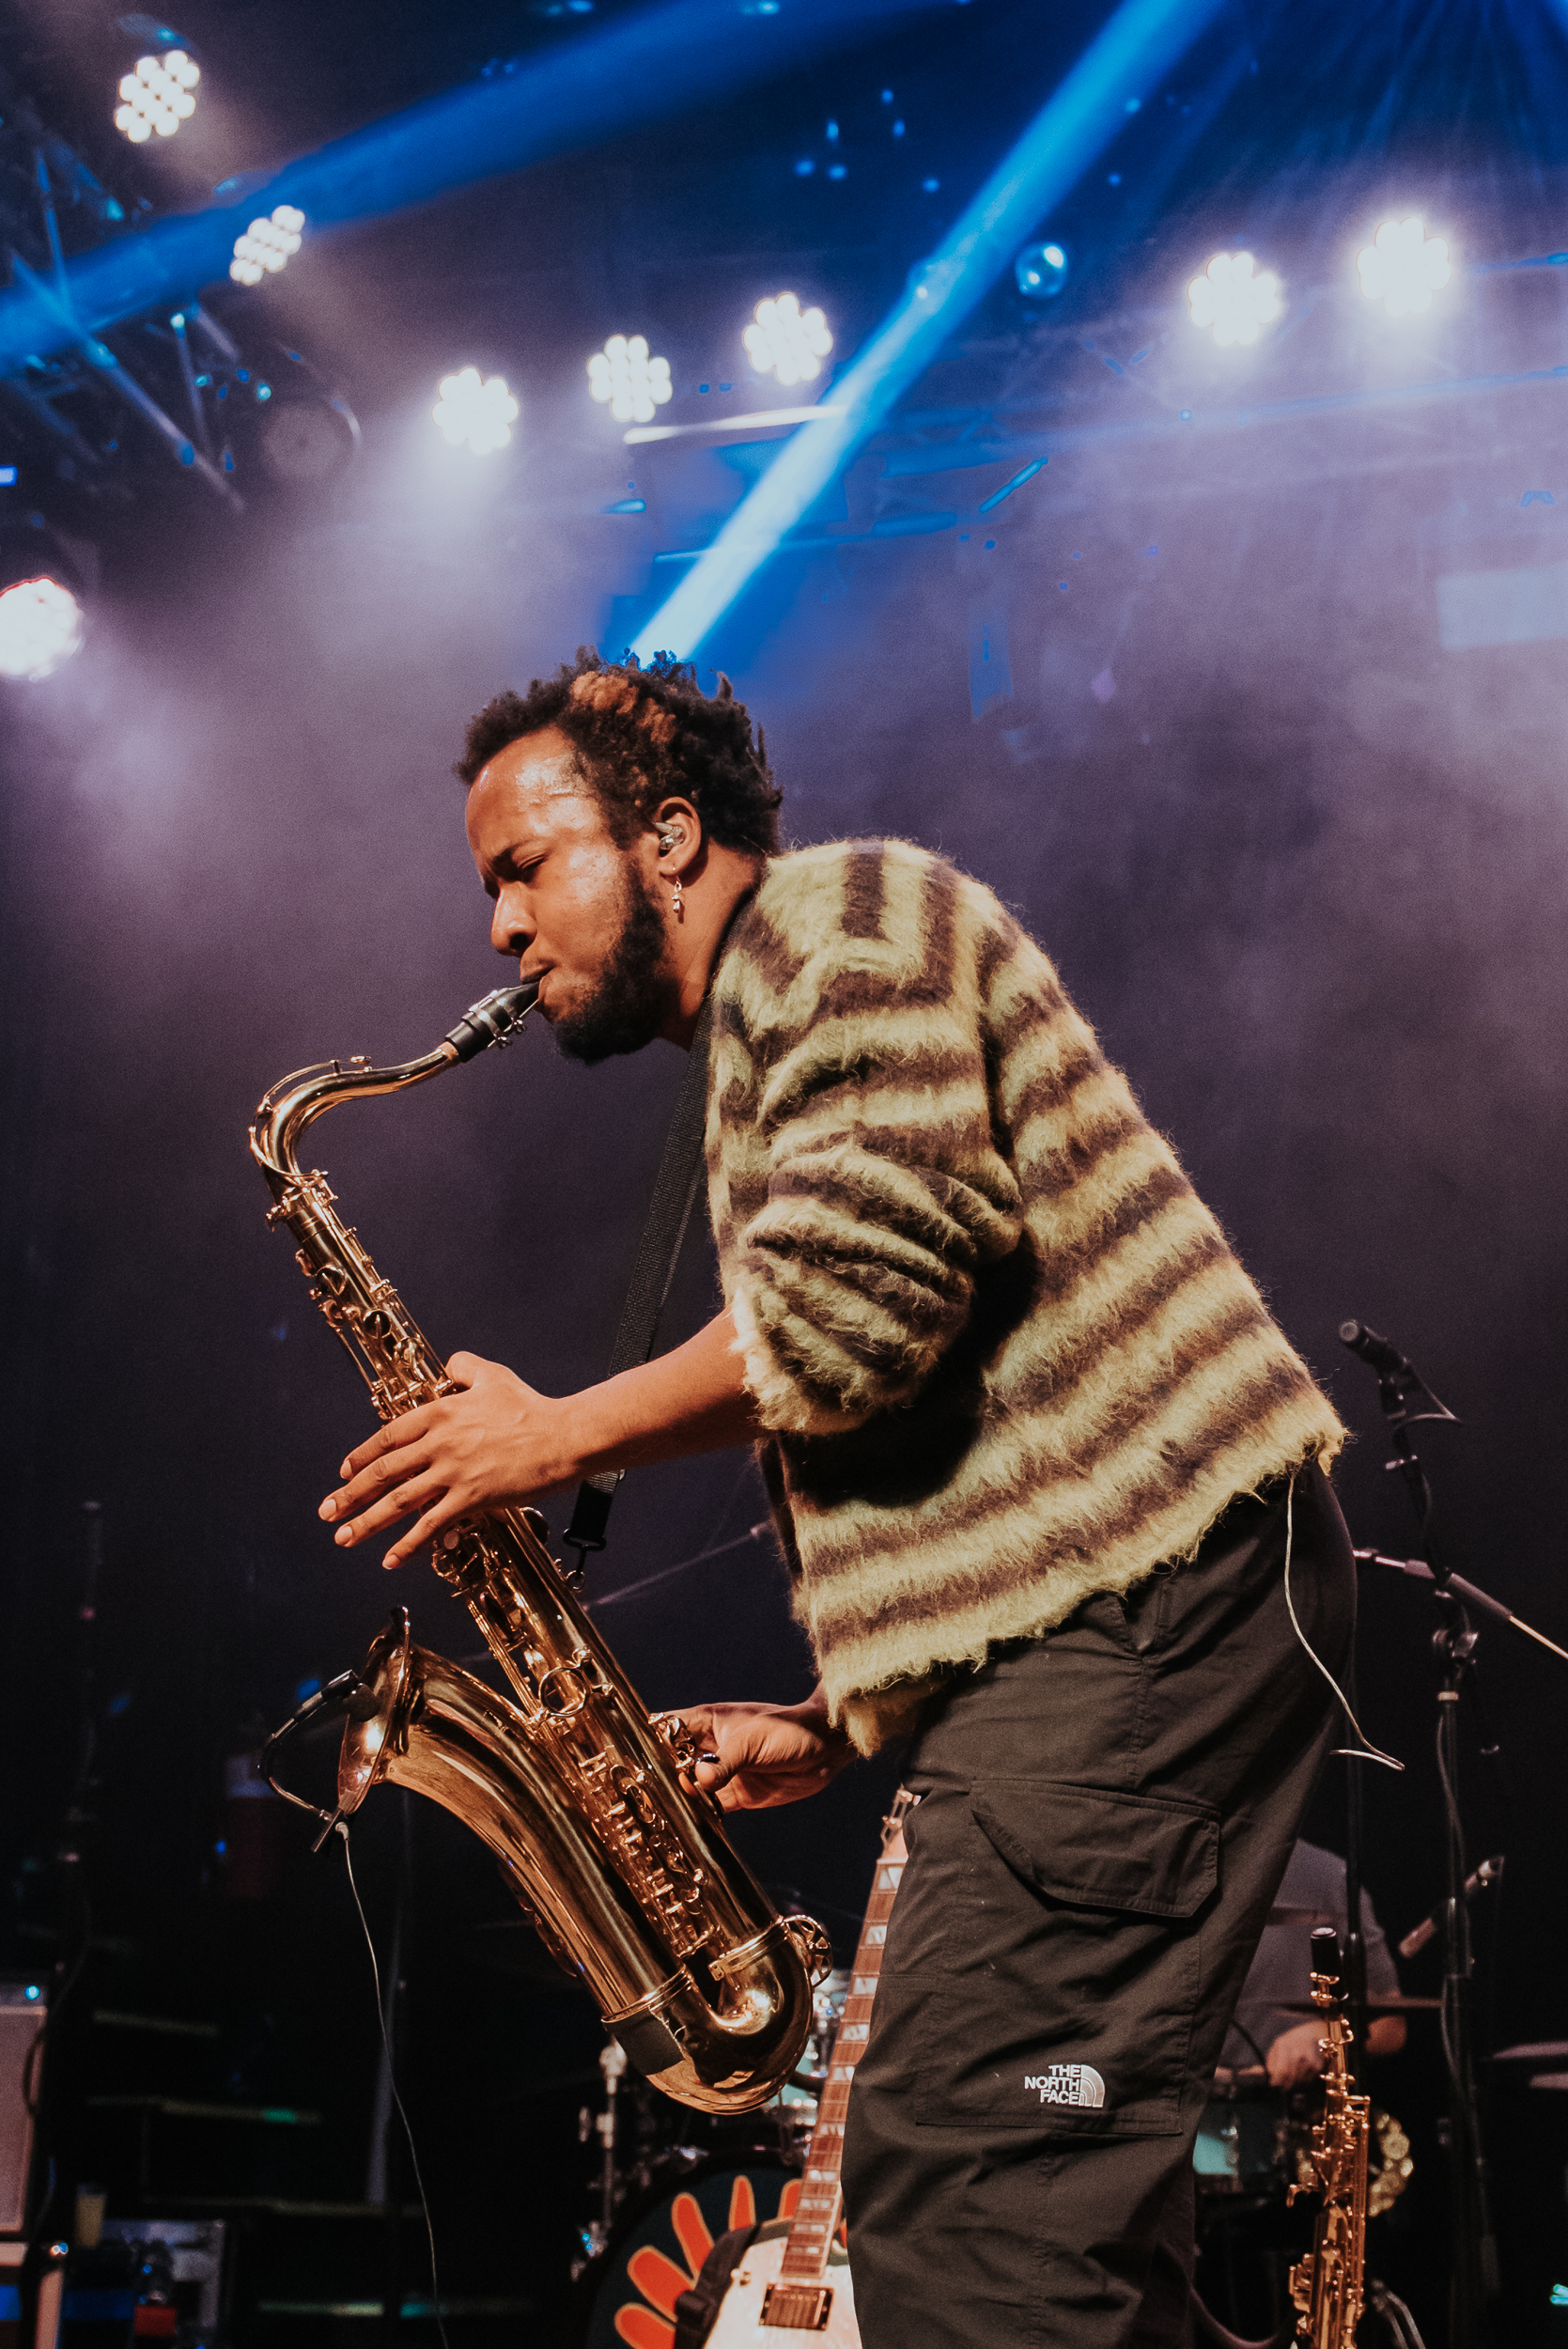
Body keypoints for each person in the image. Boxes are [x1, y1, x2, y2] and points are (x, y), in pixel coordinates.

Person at [316, 650, 1356, 2348]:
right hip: (1111, 1621)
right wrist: (839, 1716)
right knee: (1056, 2164)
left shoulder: (839, 924)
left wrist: (551, 1435)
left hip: (1143, 1612)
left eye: (526, 866)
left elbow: (855, 1313)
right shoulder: (784, 1013)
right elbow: (980, 1413)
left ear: (665, 836)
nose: (499, 927)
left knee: (965, 2165)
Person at [1219, 1839, 1406, 2089]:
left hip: (1287, 2101)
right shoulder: (1171, 1868)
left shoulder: (1329, 1875)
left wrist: (1326, 2034)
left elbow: (1391, 2027)